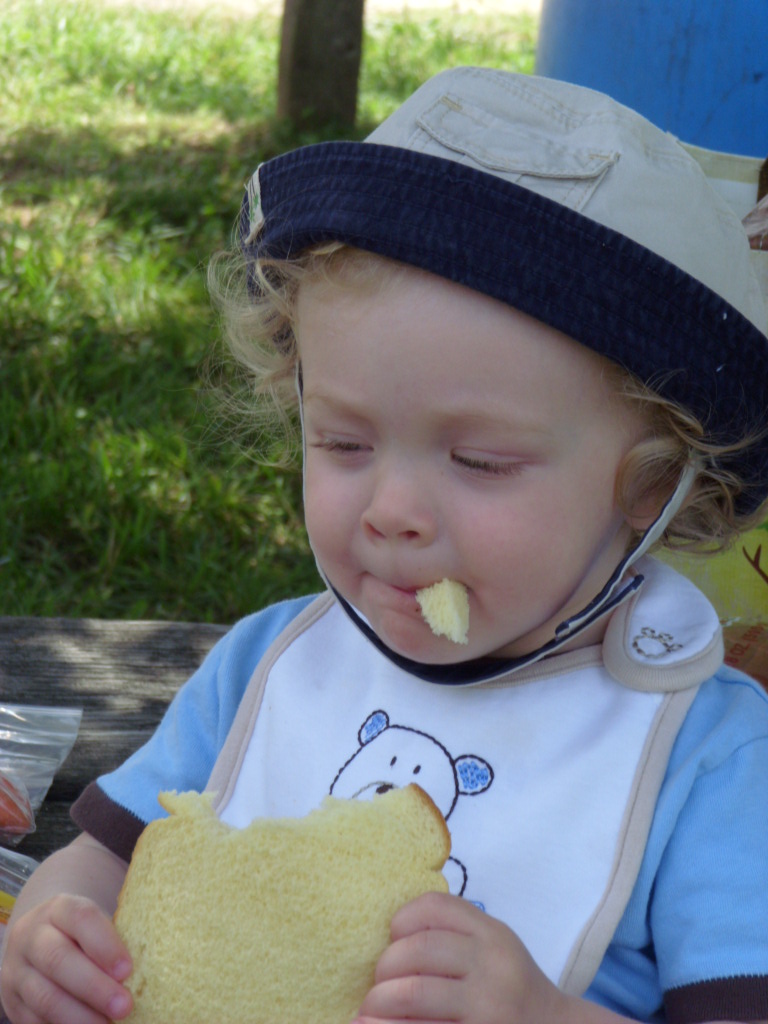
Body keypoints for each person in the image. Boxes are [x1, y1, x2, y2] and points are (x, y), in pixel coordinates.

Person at [2, 67, 768, 1024]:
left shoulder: (706, 752)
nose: (392, 509)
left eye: (480, 461)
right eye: (344, 443)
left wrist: (543, 1013)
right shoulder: (266, 664)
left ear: (653, 484)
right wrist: (51, 931)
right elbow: (103, 859)